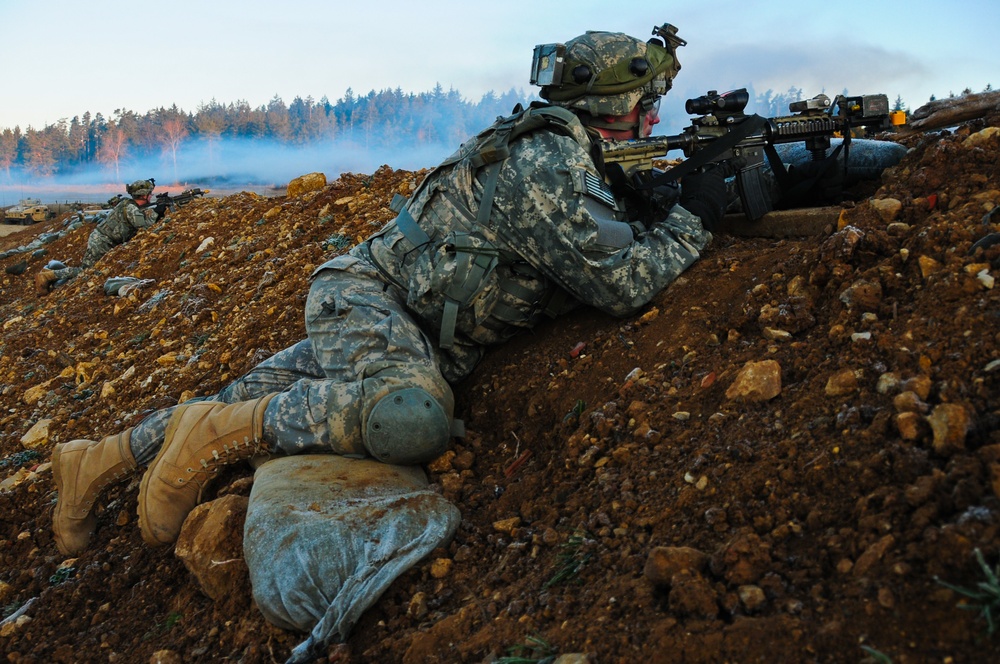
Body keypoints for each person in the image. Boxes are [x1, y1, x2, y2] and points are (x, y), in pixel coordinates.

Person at [50, 23, 905, 556]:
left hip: (401, 307)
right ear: (626, 106)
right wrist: (695, 216)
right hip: (372, 300)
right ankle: (211, 435)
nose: (656, 116)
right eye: (649, 102)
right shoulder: (545, 164)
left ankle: (94, 461)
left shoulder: (571, 144)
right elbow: (625, 283)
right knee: (408, 414)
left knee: (268, 383)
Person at [34, 179, 167, 295]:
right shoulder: (132, 209)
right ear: (144, 195)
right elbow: (144, 228)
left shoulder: (128, 204)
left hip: (101, 239)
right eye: (150, 194)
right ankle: (48, 276)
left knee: (88, 269)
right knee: (86, 272)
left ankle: (49, 274)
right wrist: (156, 212)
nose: (151, 196)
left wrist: (156, 213)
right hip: (102, 241)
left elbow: (141, 222)